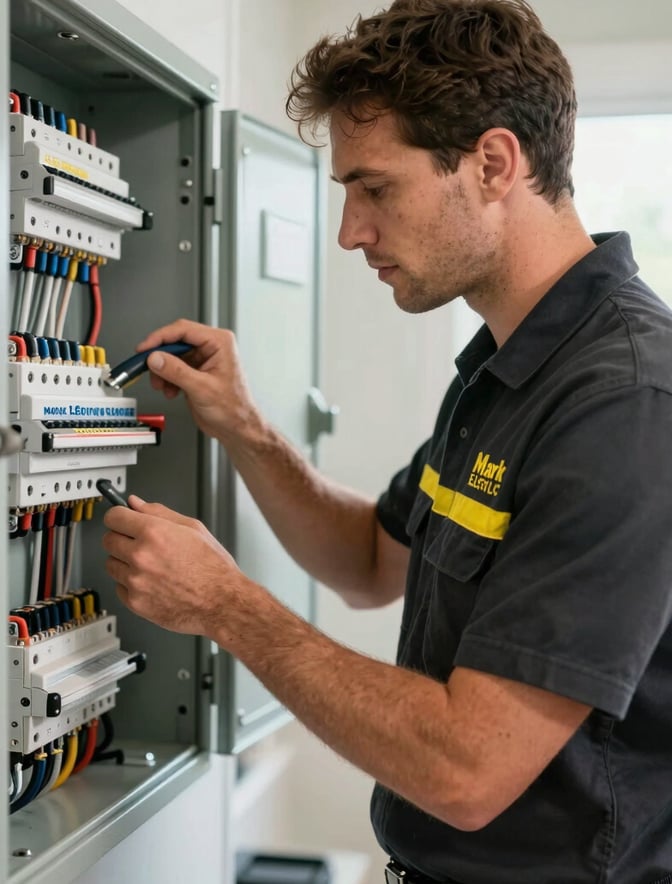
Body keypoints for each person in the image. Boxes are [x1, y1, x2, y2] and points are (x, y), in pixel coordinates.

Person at [102, 1, 672, 881]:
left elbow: (468, 767)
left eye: (375, 188)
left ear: (492, 162)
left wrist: (225, 604)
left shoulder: (627, 402)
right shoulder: (504, 367)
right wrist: (246, 429)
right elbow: (371, 558)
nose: (351, 231)